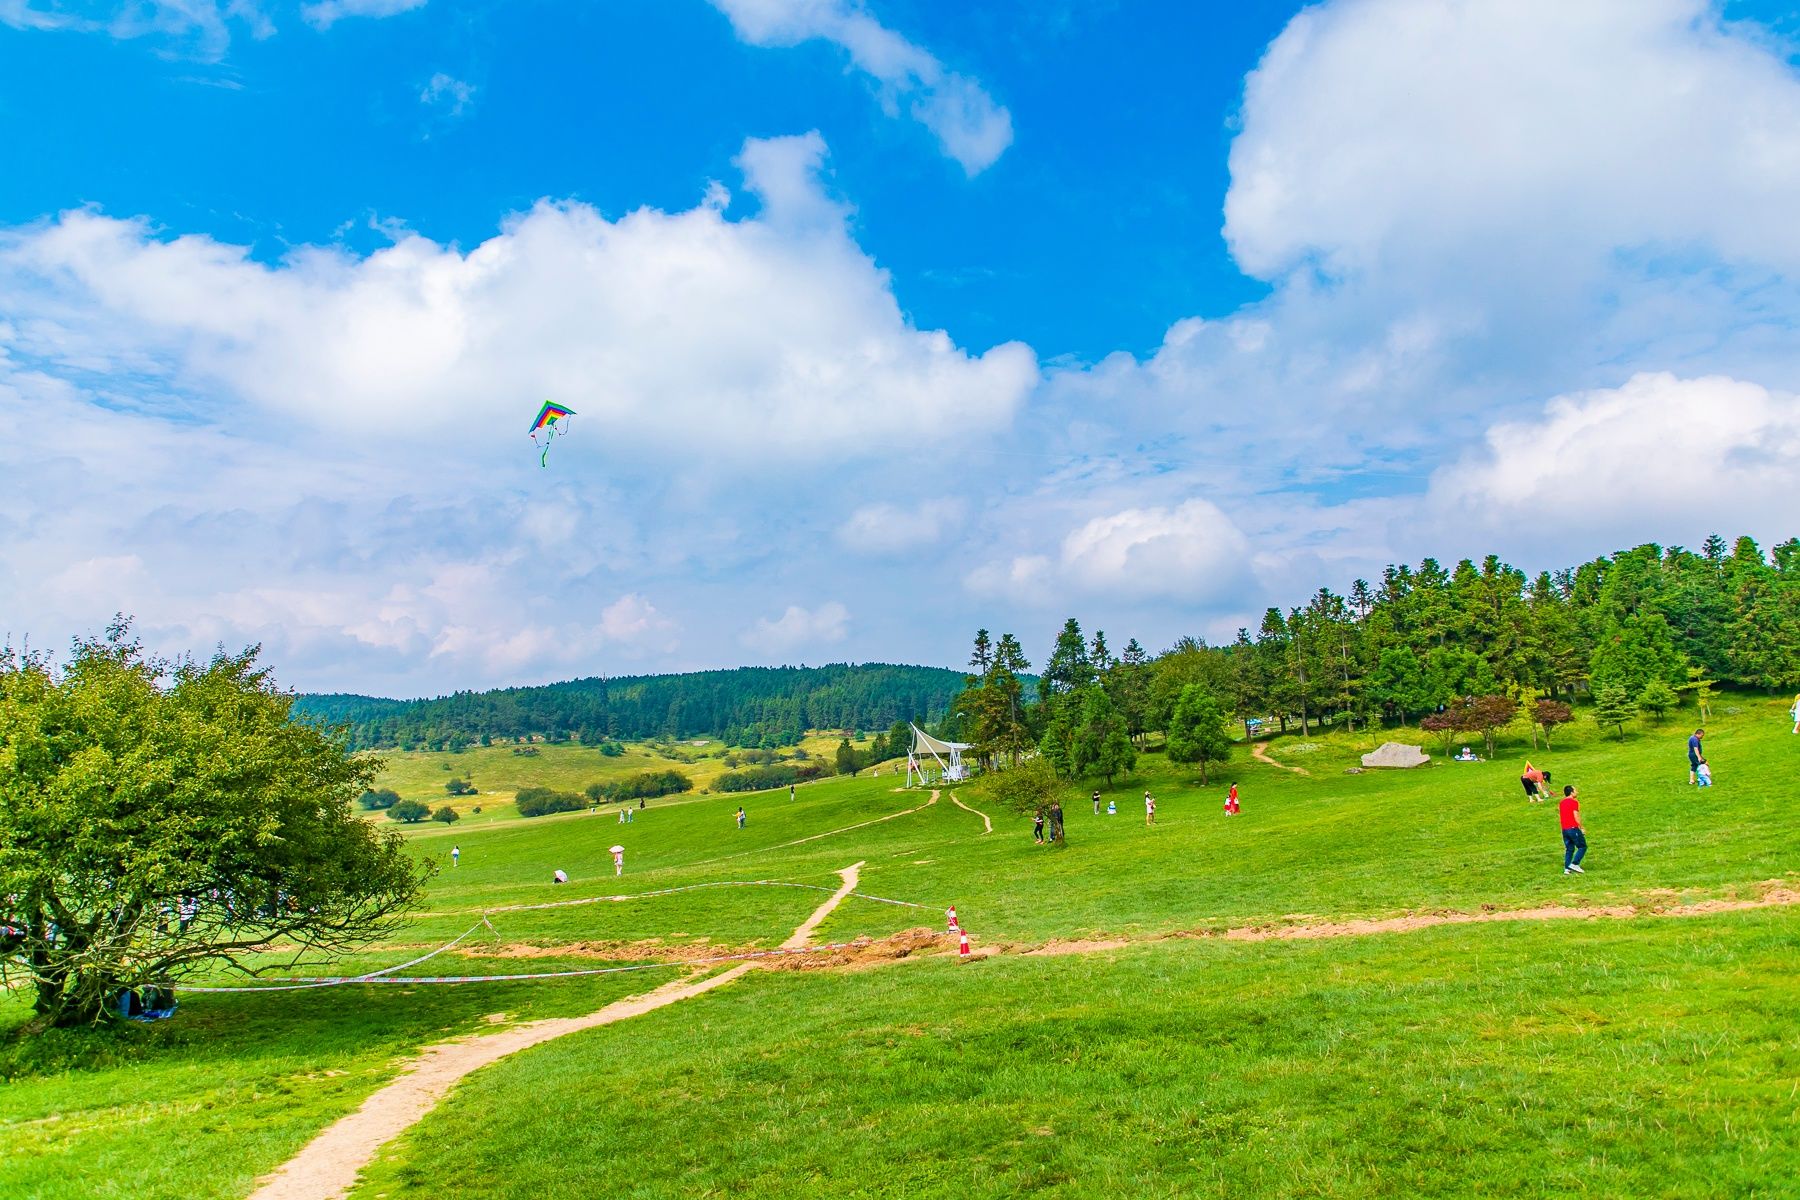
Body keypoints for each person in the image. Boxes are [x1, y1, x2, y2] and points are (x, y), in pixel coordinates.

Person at [1559, 785, 1586, 875]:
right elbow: (1576, 816)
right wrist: (1581, 827)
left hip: (1564, 829)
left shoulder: (1562, 803)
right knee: (1582, 846)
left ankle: (1567, 869)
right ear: (1571, 792)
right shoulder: (1574, 802)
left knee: (1569, 849)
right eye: (1575, 790)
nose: (1577, 792)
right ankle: (1575, 863)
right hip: (1573, 828)